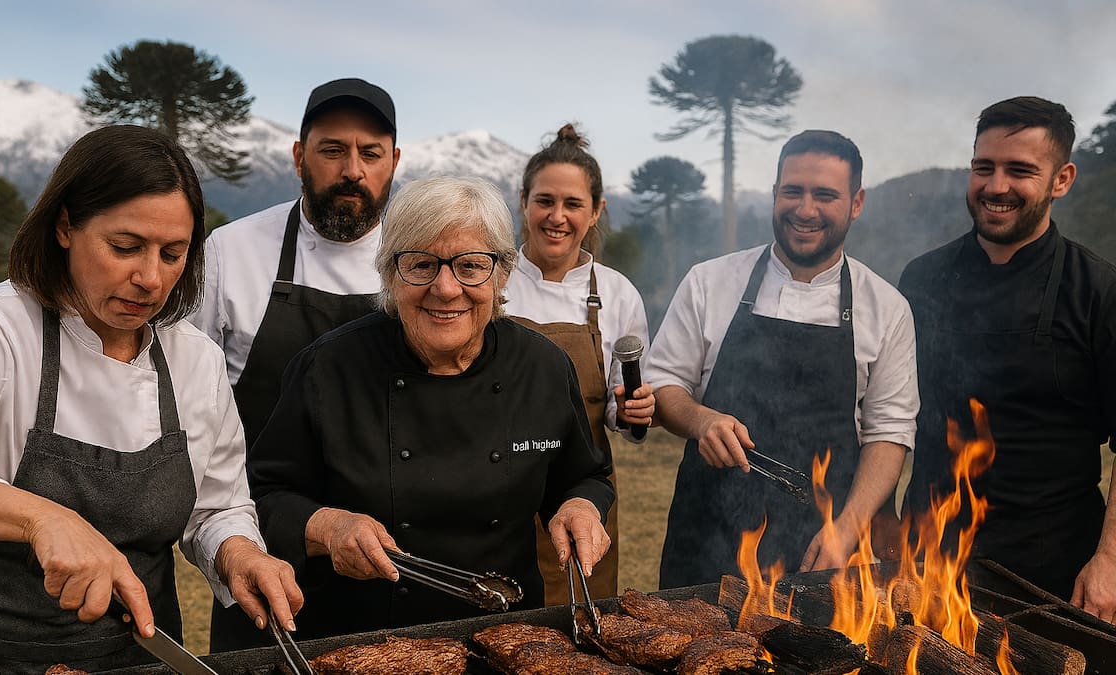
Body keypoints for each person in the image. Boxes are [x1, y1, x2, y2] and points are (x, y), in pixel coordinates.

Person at [0, 125, 302, 674]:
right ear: (65, 226)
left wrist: (239, 551)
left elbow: (218, 506)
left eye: (173, 254)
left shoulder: (196, 361)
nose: (151, 278)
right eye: (125, 247)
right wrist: (40, 518)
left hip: (139, 656)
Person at [248, 175, 615, 639]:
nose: (445, 288)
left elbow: (584, 475)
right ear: (389, 274)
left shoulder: (543, 367)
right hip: (360, 642)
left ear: (502, 274)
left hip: (506, 635)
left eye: (471, 265)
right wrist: (328, 526)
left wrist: (581, 506)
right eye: (421, 265)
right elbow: (265, 495)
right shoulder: (326, 369)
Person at [646, 130, 919, 587]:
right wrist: (701, 420)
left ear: (856, 203)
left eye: (825, 195)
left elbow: (889, 431)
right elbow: (663, 383)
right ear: (775, 193)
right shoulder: (708, 282)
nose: (805, 210)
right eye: (793, 191)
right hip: (705, 543)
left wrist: (847, 530)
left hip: (825, 551)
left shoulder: (886, 308)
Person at [190, 77, 400, 650]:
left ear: (394, 162)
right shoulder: (231, 252)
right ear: (298, 157)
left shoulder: (419, 262)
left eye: (370, 153)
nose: (352, 170)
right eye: (332, 150)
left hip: (391, 554)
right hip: (264, 547)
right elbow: (184, 398)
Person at [900, 96, 1116, 622]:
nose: (996, 186)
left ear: (1062, 180)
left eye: (1020, 171)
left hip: (1053, 569)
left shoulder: (1098, 291)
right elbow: (888, 415)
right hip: (929, 560)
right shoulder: (922, 279)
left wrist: (1111, 562)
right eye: (984, 167)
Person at [504, 123, 654, 603]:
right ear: (523, 201)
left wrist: (631, 412)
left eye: (573, 204)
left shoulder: (618, 293)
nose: (557, 217)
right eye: (544, 201)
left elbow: (617, 412)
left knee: (582, 624)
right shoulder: (490, 280)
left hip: (583, 496)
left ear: (596, 212)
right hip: (497, 492)